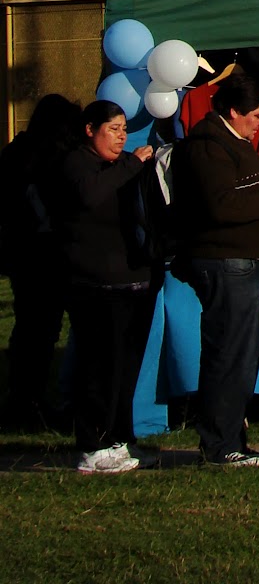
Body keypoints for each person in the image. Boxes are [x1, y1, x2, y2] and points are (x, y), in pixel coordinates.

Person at [172, 67, 259, 467]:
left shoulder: (231, 143)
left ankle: (231, 437)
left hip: (247, 266)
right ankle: (220, 443)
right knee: (230, 355)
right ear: (233, 111)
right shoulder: (208, 146)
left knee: (242, 355)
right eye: (257, 116)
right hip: (228, 266)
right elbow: (221, 204)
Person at [54, 100, 159, 474]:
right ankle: (91, 444)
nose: (121, 137)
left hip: (132, 279)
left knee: (124, 369)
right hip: (94, 284)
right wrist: (131, 165)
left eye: (124, 130)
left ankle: (118, 438)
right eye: (113, 129)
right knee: (98, 366)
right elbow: (89, 196)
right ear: (90, 130)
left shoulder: (124, 165)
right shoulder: (76, 164)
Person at [0, 93, 81, 427]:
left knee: (34, 328)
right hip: (41, 251)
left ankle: (25, 396)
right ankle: (27, 399)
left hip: (28, 252)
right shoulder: (49, 158)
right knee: (39, 329)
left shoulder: (17, 153)